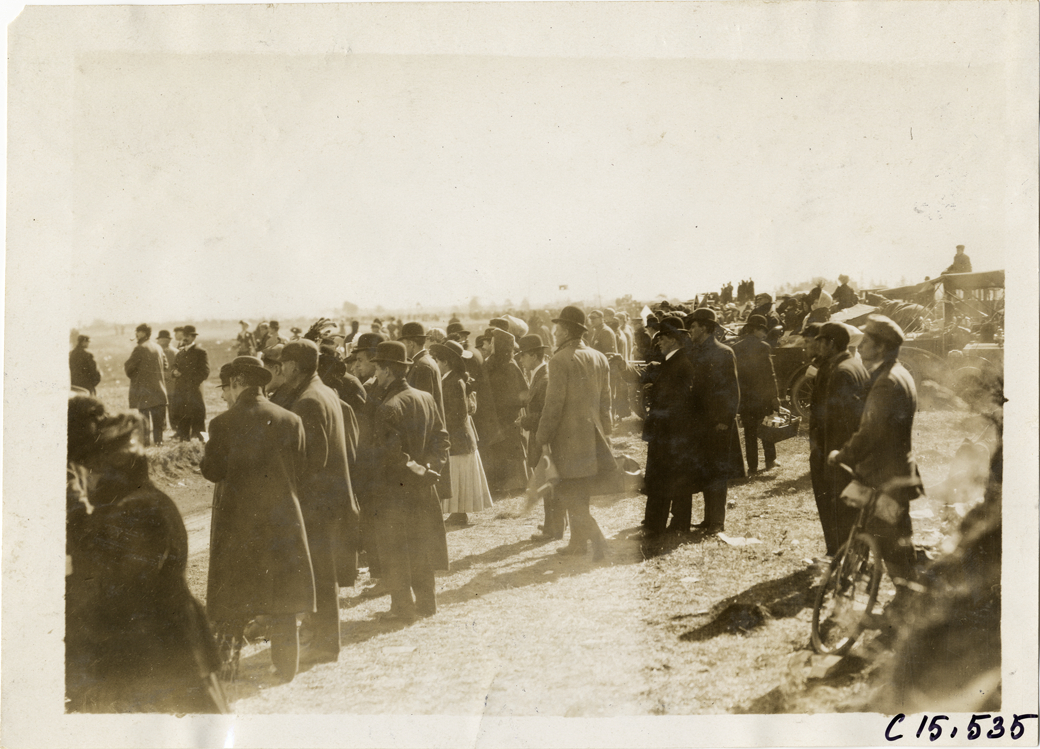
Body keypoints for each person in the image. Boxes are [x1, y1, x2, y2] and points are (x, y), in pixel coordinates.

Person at [65, 396, 226, 713]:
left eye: (90, 471)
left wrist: (78, 523)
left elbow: (121, 584)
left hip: (163, 658)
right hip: (156, 655)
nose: (88, 482)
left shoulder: (139, 509)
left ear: (111, 468)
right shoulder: (129, 505)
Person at [200, 356, 316, 683]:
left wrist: (204, 453)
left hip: (238, 528)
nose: (224, 396)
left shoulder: (221, 425)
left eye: (225, 388)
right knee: (282, 599)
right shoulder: (290, 419)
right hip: (283, 522)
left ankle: (227, 669)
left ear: (237, 383)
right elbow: (301, 470)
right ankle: (286, 668)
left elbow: (213, 472)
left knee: (231, 601)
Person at [829, 315, 925, 605]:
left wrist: (842, 454)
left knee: (889, 540)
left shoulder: (886, 382)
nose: (861, 346)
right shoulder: (898, 373)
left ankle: (906, 601)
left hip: (886, 475)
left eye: (867, 341)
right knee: (895, 537)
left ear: (881, 347)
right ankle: (905, 597)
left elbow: (870, 431)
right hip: (894, 470)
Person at [277, 340, 359, 663]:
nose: (280, 369)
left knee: (321, 578)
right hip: (333, 502)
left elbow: (312, 462)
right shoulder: (324, 392)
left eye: (283, 363)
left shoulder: (308, 401)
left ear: (295, 366)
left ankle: (325, 646)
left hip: (319, 505)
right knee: (326, 577)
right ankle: (326, 642)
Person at [368, 341, 451, 621]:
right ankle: (427, 603)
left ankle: (402, 608)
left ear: (389, 372)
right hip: (425, 487)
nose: (375, 375)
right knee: (421, 544)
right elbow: (442, 439)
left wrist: (418, 471)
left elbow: (393, 457)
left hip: (395, 491)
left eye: (378, 370)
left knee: (395, 548)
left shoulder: (388, 408)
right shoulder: (425, 397)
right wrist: (430, 470)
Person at [533, 306, 615, 560]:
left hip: (568, 441)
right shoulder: (599, 357)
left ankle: (599, 542)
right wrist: (607, 432)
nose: (554, 334)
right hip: (593, 438)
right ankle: (578, 543)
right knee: (582, 494)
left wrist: (541, 436)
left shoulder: (559, 360)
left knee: (570, 495)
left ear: (567, 331)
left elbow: (553, 405)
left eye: (557, 329)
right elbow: (606, 402)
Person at [674, 308, 744, 534]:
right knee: (705, 470)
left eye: (693, 327)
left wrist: (725, 419)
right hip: (698, 423)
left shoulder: (724, 352)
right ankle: (707, 519)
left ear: (705, 327)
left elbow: (732, 390)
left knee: (717, 473)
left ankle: (717, 522)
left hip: (718, 424)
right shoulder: (692, 352)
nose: (691, 331)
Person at [809, 322, 870, 558]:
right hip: (843, 452)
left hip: (837, 455)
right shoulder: (852, 364)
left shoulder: (841, 371)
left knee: (840, 510)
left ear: (831, 344)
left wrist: (831, 456)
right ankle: (849, 555)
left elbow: (839, 422)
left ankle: (843, 557)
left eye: (821, 342)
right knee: (847, 510)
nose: (817, 346)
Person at [639, 316, 698, 538]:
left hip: (671, 431)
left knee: (665, 477)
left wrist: (654, 392)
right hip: (669, 431)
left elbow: (678, 401)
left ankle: (661, 525)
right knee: (671, 477)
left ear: (673, 339)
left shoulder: (680, 363)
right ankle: (673, 523)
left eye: (662, 338)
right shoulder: (674, 361)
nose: (658, 342)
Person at [429, 339, 493, 525]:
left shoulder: (455, 381)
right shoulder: (449, 379)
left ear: (446, 362)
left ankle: (459, 512)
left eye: (438, 361)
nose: (437, 365)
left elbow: (457, 414)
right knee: (456, 473)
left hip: (458, 436)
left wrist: (440, 425)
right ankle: (457, 511)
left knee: (458, 473)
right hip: (456, 436)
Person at [400, 321, 452, 502]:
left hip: (427, 434)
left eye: (403, 343)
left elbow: (424, 407)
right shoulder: (423, 362)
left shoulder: (422, 366)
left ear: (411, 344)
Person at [517, 333, 562, 540]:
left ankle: (554, 529)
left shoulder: (543, 378)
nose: (520, 359)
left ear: (534, 356)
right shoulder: (539, 375)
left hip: (545, 438)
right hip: (541, 436)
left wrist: (525, 421)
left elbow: (546, 412)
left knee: (548, 482)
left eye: (523, 355)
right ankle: (551, 525)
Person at [482, 327, 530, 496]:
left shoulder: (507, 365)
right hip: (501, 416)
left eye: (494, 342)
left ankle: (513, 485)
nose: (491, 345)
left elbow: (521, 395)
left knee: (509, 450)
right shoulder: (495, 363)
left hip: (506, 416)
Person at [731, 315, 781, 473]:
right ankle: (770, 460)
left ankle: (752, 465)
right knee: (767, 427)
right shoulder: (763, 346)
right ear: (755, 329)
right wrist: (775, 396)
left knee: (749, 431)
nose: (764, 333)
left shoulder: (736, 347)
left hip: (746, 397)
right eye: (762, 330)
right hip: (762, 396)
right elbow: (770, 374)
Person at [123, 323, 169, 446]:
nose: (136, 334)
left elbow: (129, 368)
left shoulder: (140, 348)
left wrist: (137, 376)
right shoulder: (158, 347)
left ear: (144, 333)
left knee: (144, 421)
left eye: (138, 332)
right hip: (159, 390)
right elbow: (166, 365)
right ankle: (159, 443)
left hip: (144, 392)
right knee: (158, 422)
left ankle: (146, 445)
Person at [171, 325, 209, 441]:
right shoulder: (180, 353)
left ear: (193, 337)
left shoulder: (200, 352)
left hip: (194, 393)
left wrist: (190, 382)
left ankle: (204, 446)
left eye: (188, 336)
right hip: (182, 394)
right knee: (183, 423)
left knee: (199, 424)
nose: (185, 338)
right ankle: (184, 445)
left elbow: (205, 372)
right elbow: (174, 368)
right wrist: (174, 372)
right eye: (184, 336)